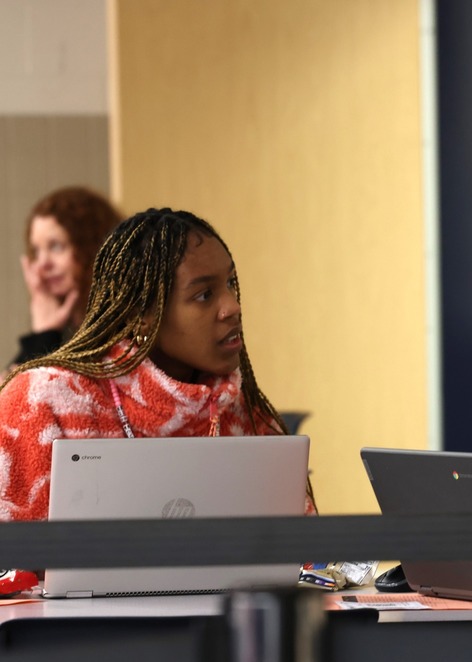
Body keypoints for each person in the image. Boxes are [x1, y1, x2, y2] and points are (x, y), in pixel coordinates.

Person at [0, 208, 317, 522]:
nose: (232, 307)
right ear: (141, 315)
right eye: (205, 294)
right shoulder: (43, 400)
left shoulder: (244, 410)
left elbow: (306, 559)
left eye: (231, 283)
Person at [8, 187, 123, 372]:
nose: (42, 264)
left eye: (55, 246)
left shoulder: (121, 333)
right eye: (36, 251)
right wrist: (45, 332)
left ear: (93, 249)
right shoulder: (61, 328)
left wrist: (44, 335)